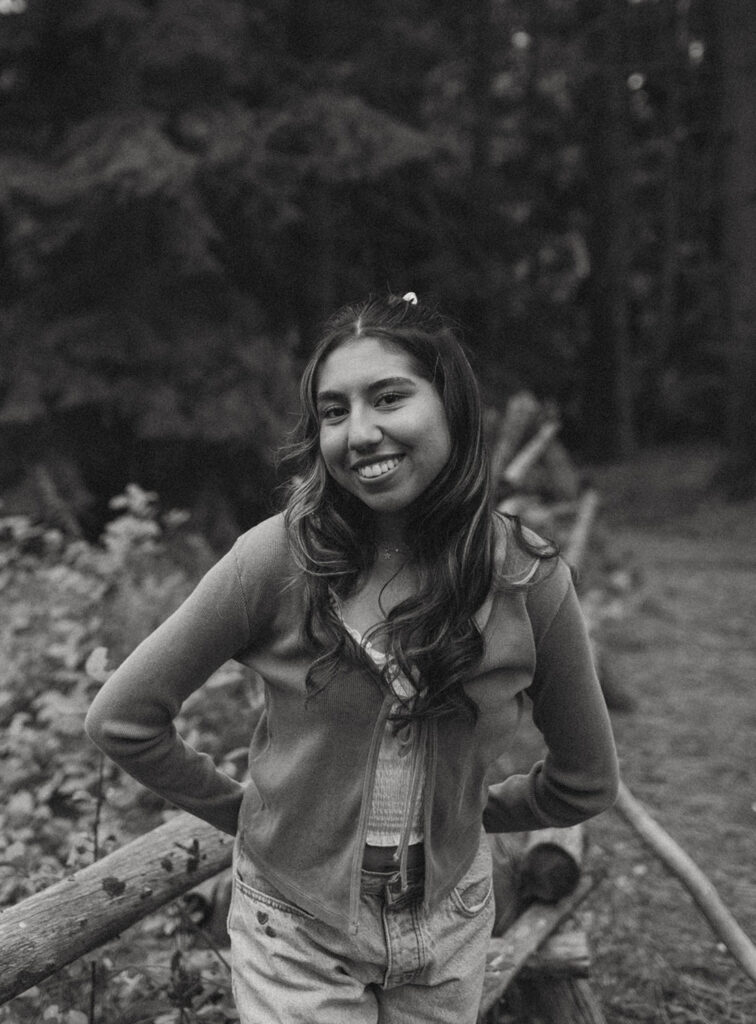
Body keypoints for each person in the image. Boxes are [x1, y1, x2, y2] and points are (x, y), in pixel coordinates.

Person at [85, 292, 619, 1024]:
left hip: (448, 925)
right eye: (333, 412)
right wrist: (250, 814)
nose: (359, 432)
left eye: (388, 397)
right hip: (294, 926)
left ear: (453, 407)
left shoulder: (529, 580)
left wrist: (467, 815)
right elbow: (122, 720)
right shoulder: (275, 559)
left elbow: (586, 780)